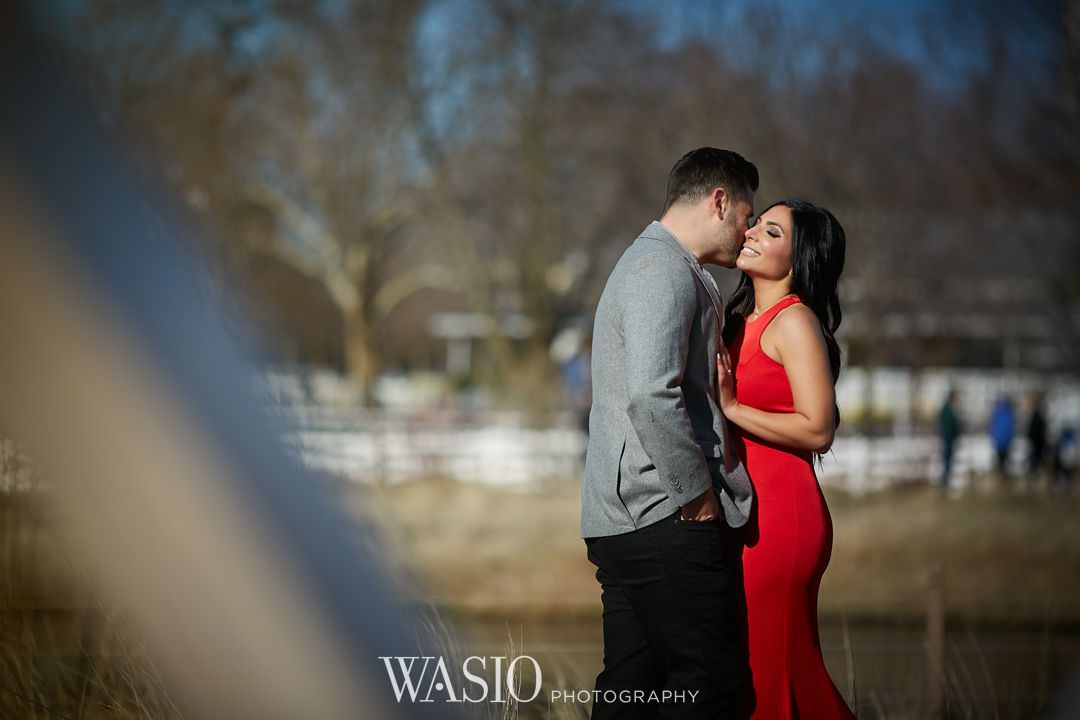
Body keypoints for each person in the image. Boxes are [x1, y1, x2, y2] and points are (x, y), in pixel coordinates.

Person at [581, 147, 757, 719]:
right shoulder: (662, 267)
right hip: (664, 513)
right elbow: (652, 395)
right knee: (713, 688)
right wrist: (698, 496)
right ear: (719, 200)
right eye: (746, 217)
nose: (747, 232)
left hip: (628, 516)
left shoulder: (652, 262)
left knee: (633, 691)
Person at [715, 199, 855, 719]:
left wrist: (732, 406)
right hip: (745, 513)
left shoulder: (794, 322)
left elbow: (818, 428)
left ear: (797, 261)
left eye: (770, 231)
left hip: (782, 518)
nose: (749, 232)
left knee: (774, 673)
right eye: (756, 223)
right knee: (766, 669)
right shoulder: (739, 319)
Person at [938, 389, 962, 489]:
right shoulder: (947, 409)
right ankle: (945, 481)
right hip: (947, 438)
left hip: (949, 438)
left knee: (948, 460)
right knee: (947, 459)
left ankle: (946, 480)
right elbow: (947, 425)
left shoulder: (949, 409)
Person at [988, 396, 1015, 477]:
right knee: (1004, 459)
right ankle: (1003, 473)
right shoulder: (1010, 413)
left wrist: (993, 437)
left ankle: (1000, 472)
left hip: (998, 441)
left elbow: (992, 427)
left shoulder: (996, 413)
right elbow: (1011, 428)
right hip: (1006, 441)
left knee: (1000, 459)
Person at [1026, 393, 1048, 485]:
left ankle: (1035, 478)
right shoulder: (1039, 416)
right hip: (1037, 443)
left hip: (1037, 443)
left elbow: (1036, 431)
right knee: (1035, 461)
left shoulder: (1037, 417)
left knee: (1036, 461)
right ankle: (1035, 478)